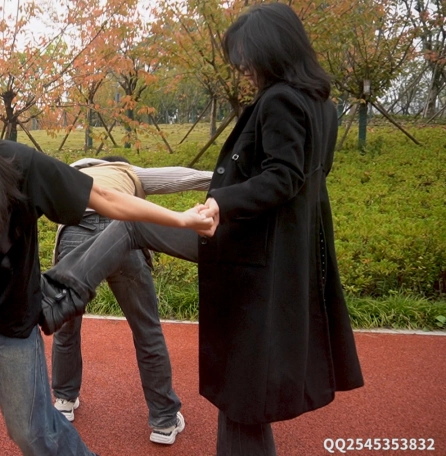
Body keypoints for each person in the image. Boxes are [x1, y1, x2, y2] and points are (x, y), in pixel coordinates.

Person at [45, 4, 364, 455]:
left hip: (246, 246)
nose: (243, 68)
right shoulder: (322, 107)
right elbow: (306, 181)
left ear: (271, 49)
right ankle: (61, 297)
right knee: (242, 401)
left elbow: (283, 176)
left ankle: (56, 296)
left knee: (132, 228)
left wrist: (220, 202)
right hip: (279, 253)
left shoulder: (280, 100)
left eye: (246, 57)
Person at [0, 118, 212, 455]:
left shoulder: (19, 167)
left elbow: (104, 197)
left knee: (33, 433)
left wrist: (181, 219)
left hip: (8, 317)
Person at [50, 156, 212, 446]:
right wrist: (223, 180)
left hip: (74, 234)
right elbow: (179, 177)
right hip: (120, 232)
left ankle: (64, 400)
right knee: (147, 330)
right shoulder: (126, 170)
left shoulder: (71, 169)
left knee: (66, 328)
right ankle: (163, 421)